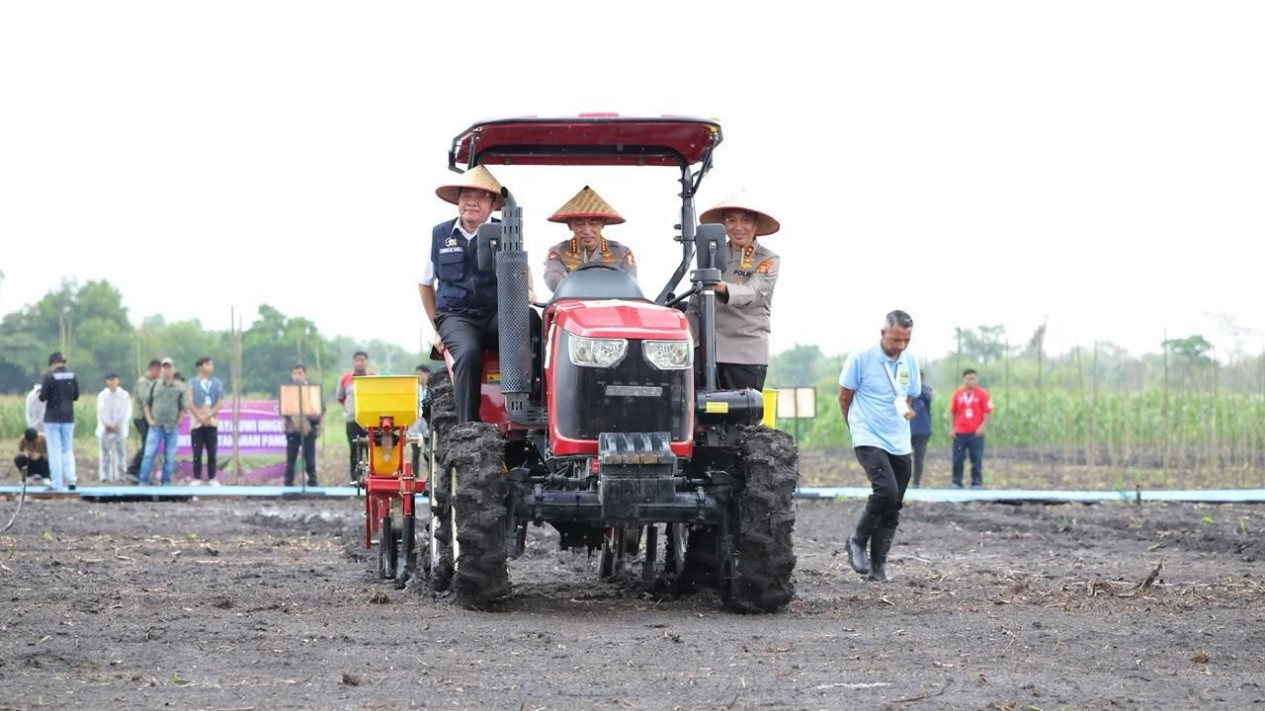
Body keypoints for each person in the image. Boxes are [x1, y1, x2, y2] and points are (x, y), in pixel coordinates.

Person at [418, 165, 508, 424]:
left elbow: (521, 269)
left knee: (533, 328)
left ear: (492, 204)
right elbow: (425, 284)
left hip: (495, 313)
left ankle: (531, 413)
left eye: (481, 196)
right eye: (466, 195)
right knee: (468, 352)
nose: (472, 202)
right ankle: (467, 428)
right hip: (456, 317)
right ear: (458, 200)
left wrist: (529, 289)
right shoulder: (440, 234)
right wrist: (437, 326)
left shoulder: (505, 232)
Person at [839, 311, 922, 583]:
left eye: (906, 340)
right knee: (885, 491)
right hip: (867, 434)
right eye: (896, 339)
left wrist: (908, 409)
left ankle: (878, 566)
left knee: (894, 501)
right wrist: (855, 428)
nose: (900, 346)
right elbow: (845, 396)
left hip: (898, 437)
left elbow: (908, 396)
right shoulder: (861, 358)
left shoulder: (910, 361)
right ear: (883, 333)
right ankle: (856, 540)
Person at [688, 191, 781, 391]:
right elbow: (695, 307)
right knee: (697, 419)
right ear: (723, 225)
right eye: (731, 220)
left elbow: (751, 292)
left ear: (756, 225)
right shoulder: (710, 254)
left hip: (745, 355)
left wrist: (717, 285)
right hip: (704, 354)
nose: (738, 228)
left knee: (742, 421)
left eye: (745, 220)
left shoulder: (768, 259)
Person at [542, 186, 637, 291]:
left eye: (594, 222)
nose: (587, 231)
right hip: (572, 305)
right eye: (579, 223)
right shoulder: (558, 253)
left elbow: (629, 286)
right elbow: (555, 283)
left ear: (603, 224)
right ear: (570, 225)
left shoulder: (621, 253)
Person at [138, 357, 187, 486]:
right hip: (156, 426)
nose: (166, 370)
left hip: (172, 427)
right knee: (149, 454)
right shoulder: (154, 385)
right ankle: (143, 481)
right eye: (164, 367)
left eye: (169, 367)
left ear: (173, 369)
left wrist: (179, 422)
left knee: (170, 456)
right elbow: (146, 404)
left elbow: (183, 408)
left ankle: (166, 482)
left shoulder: (180, 388)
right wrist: (149, 419)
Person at [39, 351, 80, 491]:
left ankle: (57, 483)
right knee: (68, 449)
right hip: (68, 416)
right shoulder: (72, 376)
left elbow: (42, 397)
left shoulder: (49, 377)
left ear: (52, 363)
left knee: (54, 450)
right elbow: (76, 396)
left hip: (52, 417)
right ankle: (72, 479)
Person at [336, 351, 376, 483]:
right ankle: (355, 480)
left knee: (373, 450)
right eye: (357, 360)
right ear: (353, 362)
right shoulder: (346, 379)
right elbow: (340, 398)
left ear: (366, 361)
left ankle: (374, 478)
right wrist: (350, 408)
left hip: (370, 421)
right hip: (352, 421)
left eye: (362, 360)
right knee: (354, 450)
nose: (360, 362)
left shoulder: (373, 377)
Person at [950, 368, 994, 490]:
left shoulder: (983, 394)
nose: (971, 381)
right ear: (964, 379)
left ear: (977, 379)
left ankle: (976, 483)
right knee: (958, 458)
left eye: (973, 378)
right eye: (968, 378)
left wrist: (982, 427)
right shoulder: (958, 394)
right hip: (960, 433)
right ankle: (956, 482)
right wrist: (952, 428)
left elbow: (988, 412)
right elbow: (953, 412)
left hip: (976, 433)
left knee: (976, 458)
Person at [188, 356, 225, 485]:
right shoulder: (192, 383)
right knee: (197, 451)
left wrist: (209, 414)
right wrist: (199, 417)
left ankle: (212, 477)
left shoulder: (217, 383)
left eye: (212, 365)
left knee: (212, 451)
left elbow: (220, 402)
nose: (211, 367)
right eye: (208, 364)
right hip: (197, 422)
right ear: (200, 367)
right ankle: (197, 477)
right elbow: (190, 402)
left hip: (212, 421)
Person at [284, 364, 322, 487]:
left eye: (299, 373)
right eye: (294, 373)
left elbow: (320, 409)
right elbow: (284, 409)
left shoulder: (313, 390)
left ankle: (312, 482)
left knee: (309, 457)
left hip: (309, 428)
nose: (297, 376)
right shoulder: (288, 391)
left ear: (305, 374)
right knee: (291, 458)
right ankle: (288, 483)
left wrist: (314, 422)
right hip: (292, 429)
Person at [127, 359, 162, 479]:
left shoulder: (154, 382)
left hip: (150, 418)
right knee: (148, 443)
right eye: (159, 371)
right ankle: (133, 469)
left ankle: (142, 472)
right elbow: (145, 400)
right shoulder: (143, 382)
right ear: (154, 369)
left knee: (149, 445)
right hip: (141, 417)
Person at [95, 373, 131, 483]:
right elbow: (101, 411)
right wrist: (107, 424)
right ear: (107, 382)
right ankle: (105, 475)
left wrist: (118, 424)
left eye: (114, 380)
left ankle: (121, 474)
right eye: (110, 380)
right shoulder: (102, 395)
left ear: (118, 381)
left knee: (121, 452)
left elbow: (126, 411)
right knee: (105, 452)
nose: (112, 382)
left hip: (120, 427)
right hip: (105, 427)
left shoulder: (124, 395)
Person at [910, 372, 933, 488]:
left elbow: (928, 397)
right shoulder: (903, 391)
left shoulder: (925, 390)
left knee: (919, 458)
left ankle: (916, 482)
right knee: (903, 458)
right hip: (906, 430)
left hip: (921, 430)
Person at [408, 364, 431, 478]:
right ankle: (415, 478)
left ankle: (429, 479)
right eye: (417, 374)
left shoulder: (432, 389)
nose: (418, 377)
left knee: (429, 452)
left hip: (428, 421)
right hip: (416, 421)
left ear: (427, 374)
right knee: (415, 453)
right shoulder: (413, 389)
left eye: (420, 374)